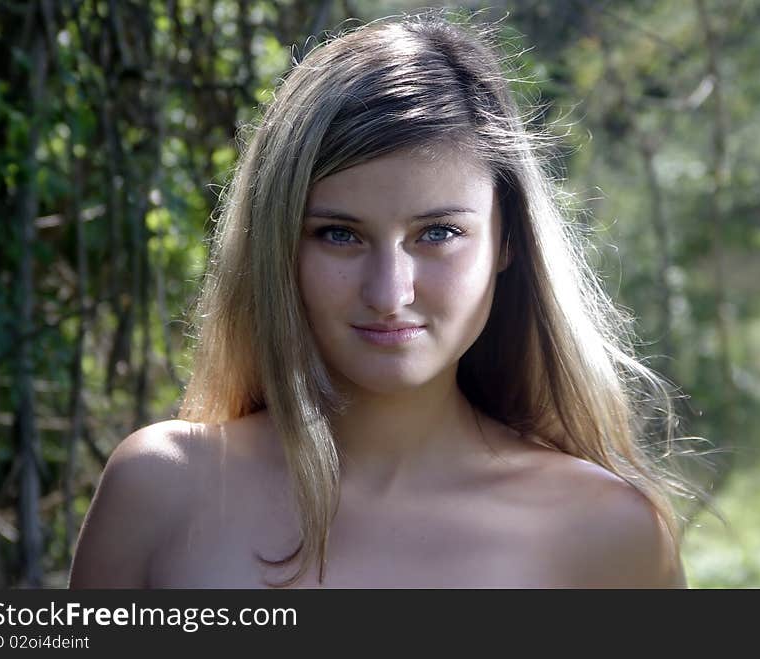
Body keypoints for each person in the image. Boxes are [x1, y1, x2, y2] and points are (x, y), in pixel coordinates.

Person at [69, 11, 698, 588]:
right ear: (278, 246)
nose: (389, 292)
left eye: (438, 234)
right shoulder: (160, 488)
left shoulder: (609, 532)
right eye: (339, 234)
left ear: (508, 241)